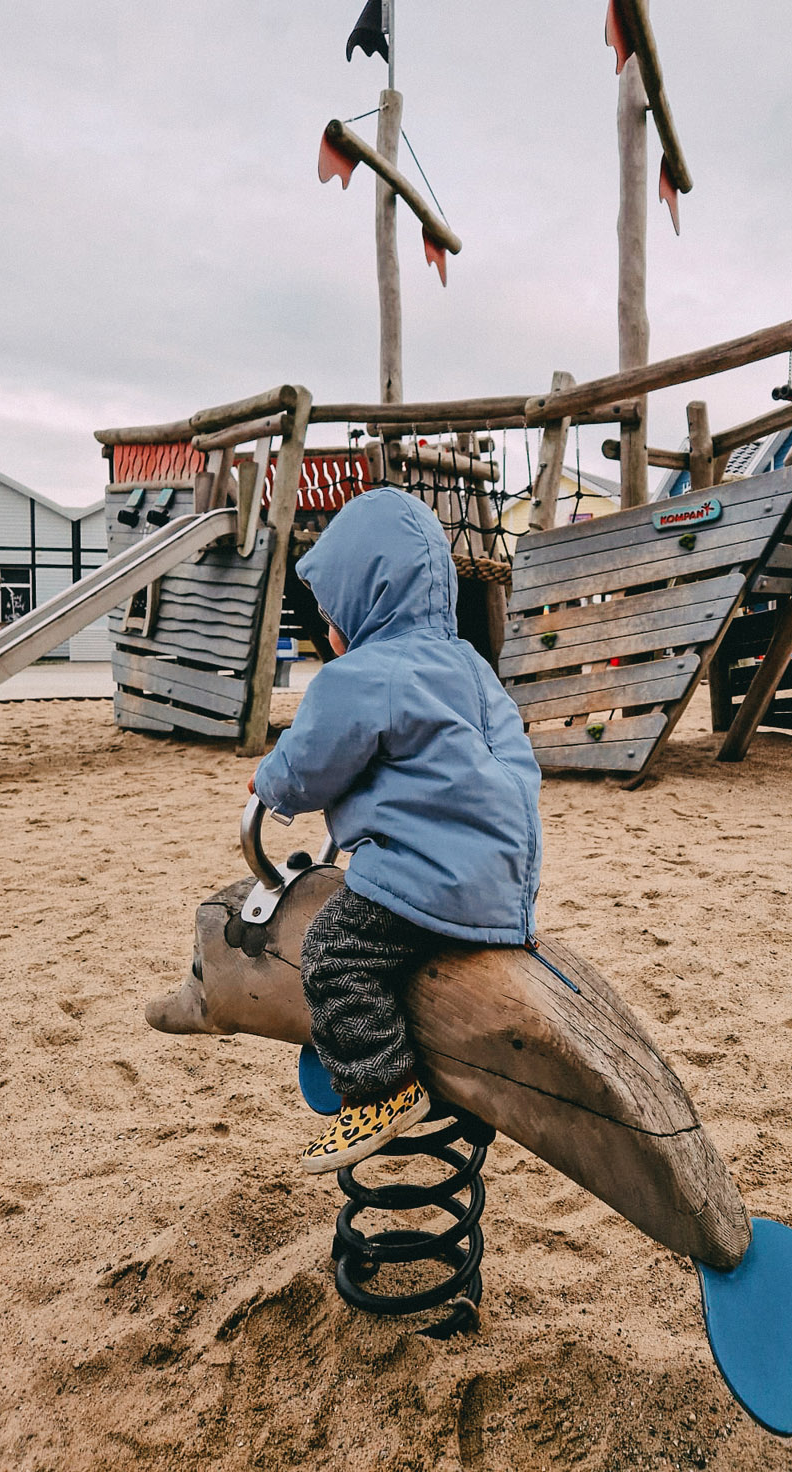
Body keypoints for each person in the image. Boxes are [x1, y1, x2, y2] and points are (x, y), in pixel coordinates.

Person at [251, 488, 541, 1174]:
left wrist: (271, 784)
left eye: (332, 617)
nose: (331, 634)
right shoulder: (471, 665)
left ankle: (380, 1088)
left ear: (363, 604)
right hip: (505, 884)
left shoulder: (361, 674)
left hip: (427, 880)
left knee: (335, 952)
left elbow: (312, 761)